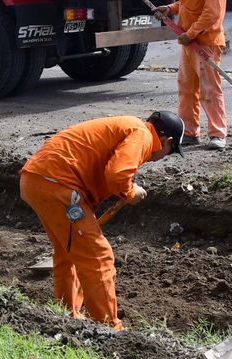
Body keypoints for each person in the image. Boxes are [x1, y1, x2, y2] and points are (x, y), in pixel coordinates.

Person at [20, 112, 186, 330]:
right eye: (171, 152)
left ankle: (65, 315)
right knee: (99, 257)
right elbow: (117, 175)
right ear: (167, 141)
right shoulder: (143, 135)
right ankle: (110, 329)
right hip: (57, 183)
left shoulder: (129, 127)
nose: (165, 156)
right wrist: (130, 191)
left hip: (36, 179)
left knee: (67, 253)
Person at [153, 0, 228, 150]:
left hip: (205, 43)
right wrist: (169, 9)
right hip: (188, 43)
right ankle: (190, 132)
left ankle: (217, 134)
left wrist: (191, 34)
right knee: (186, 88)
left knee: (210, 90)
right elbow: (185, 3)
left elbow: (212, 13)